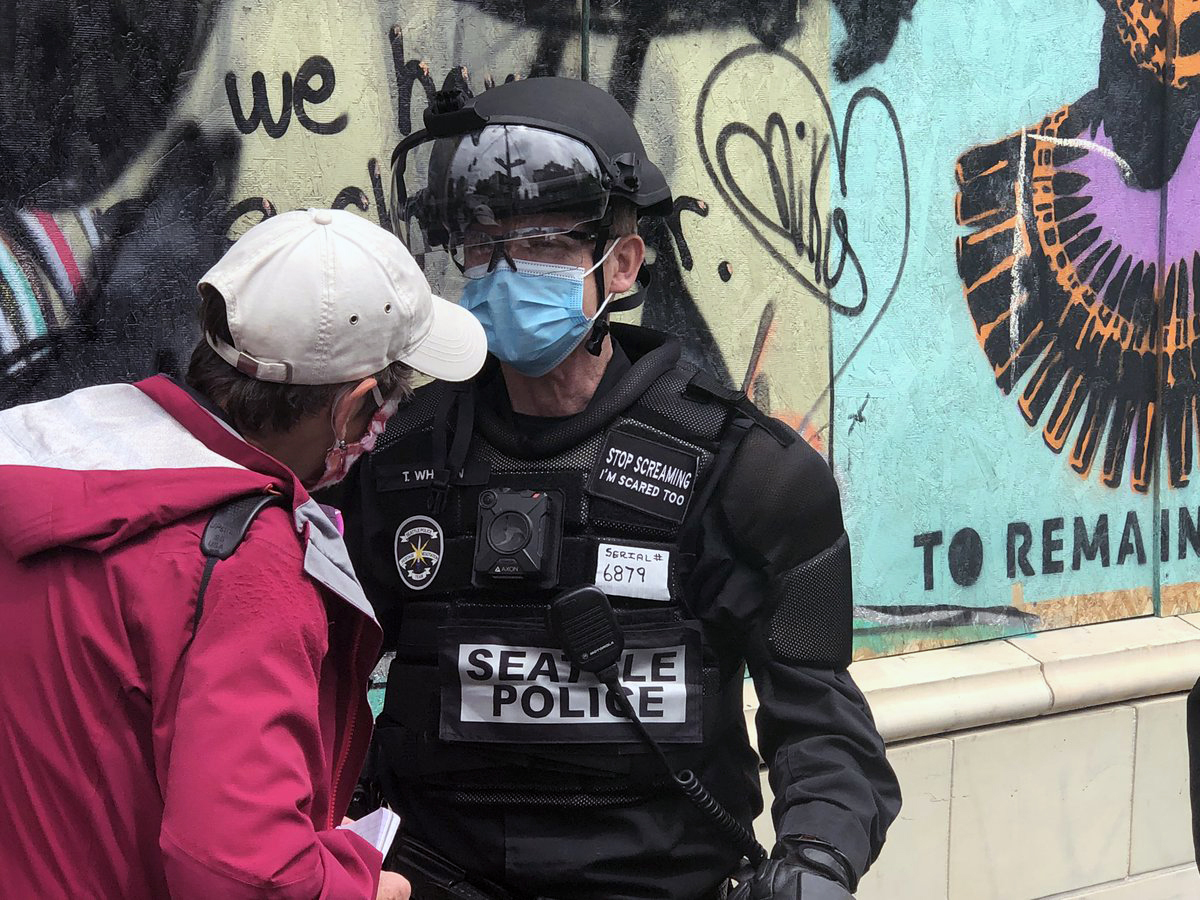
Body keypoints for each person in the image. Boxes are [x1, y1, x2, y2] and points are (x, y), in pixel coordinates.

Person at [342, 78, 901, 900]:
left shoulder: (749, 474)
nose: (504, 269)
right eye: (482, 243)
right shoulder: (395, 462)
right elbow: (308, 682)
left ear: (624, 262)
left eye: (542, 243)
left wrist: (815, 859)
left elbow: (823, 725)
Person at [0, 208, 487, 900]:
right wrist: (362, 887)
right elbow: (243, 872)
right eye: (392, 398)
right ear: (350, 412)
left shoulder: (43, 454)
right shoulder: (245, 561)